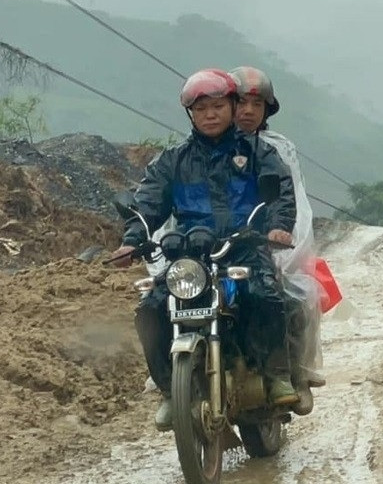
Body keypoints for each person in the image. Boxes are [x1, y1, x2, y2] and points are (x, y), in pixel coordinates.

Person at [110, 68, 299, 430]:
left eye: (216, 106)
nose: (210, 115)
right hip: (189, 253)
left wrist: (277, 227)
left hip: (243, 246)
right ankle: (170, 390)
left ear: (230, 105)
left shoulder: (258, 151)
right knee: (151, 308)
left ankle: (276, 375)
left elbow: (280, 195)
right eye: (200, 109)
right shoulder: (172, 160)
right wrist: (132, 240)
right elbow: (147, 203)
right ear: (190, 115)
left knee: (265, 294)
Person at [229, 65, 327, 411]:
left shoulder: (279, 150)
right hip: (216, 247)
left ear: (267, 110)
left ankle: (296, 375)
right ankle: (170, 382)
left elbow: (294, 201)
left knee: (298, 296)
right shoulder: (204, 148)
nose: (248, 111)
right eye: (240, 102)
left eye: (257, 105)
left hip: (266, 245)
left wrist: (285, 246)